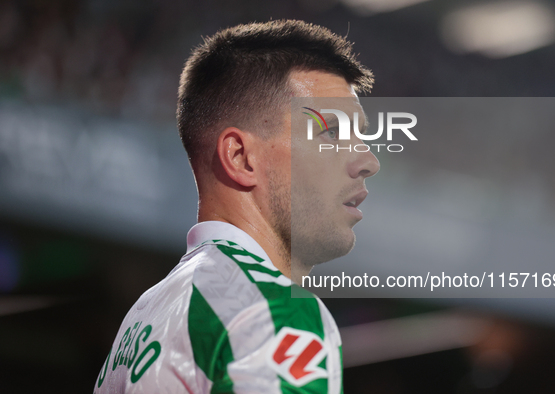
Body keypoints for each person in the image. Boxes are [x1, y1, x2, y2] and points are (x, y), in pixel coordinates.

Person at [94, 19, 379, 394]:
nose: (368, 160)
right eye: (331, 133)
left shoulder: (144, 317)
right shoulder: (273, 310)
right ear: (241, 157)